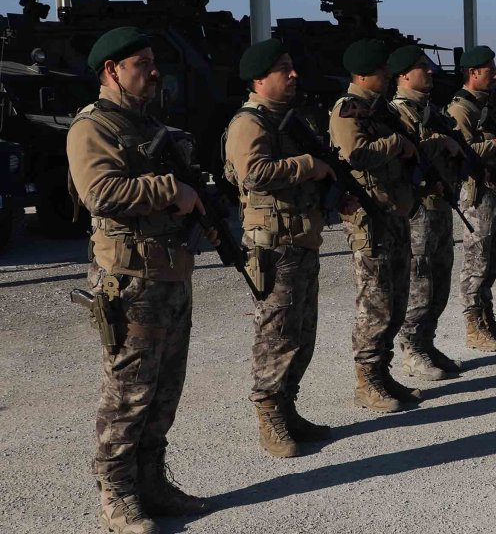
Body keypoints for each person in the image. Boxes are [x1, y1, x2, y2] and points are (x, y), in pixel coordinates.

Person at [68, 26, 210, 533]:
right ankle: (117, 494)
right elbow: (101, 192)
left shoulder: (146, 122)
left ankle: (151, 483)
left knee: (164, 390)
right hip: (129, 280)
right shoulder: (94, 126)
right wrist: (173, 188)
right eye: (142, 63)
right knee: (128, 393)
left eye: (154, 61)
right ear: (112, 71)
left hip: (170, 271)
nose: (154, 71)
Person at [224, 38, 336, 457]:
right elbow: (254, 173)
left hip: (300, 238)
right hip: (273, 245)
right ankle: (269, 414)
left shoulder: (286, 119)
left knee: (302, 332)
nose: (293, 75)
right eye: (282, 69)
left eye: (292, 67)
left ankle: (287, 408)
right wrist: (310, 165)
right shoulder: (250, 123)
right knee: (276, 334)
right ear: (259, 79)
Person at [329, 38, 425, 412]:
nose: (388, 75)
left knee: (397, 297)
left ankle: (382, 374)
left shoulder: (379, 109)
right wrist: (396, 144)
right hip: (369, 218)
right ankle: (366, 380)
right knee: (376, 301)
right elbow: (355, 154)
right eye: (383, 70)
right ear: (365, 73)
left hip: (394, 212)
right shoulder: (348, 108)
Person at [386, 45, 464, 380]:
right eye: (422, 67)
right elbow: (404, 156)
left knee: (440, 278)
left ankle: (427, 341)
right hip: (418, 208)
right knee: (419, 279)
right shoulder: (396, 113)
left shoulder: (432, 111)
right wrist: (438, 143)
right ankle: (411, 349)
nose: (430, 72)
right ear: (403, 75)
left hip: (440, 204)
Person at [447, 45, 496, 351]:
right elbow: (459, 152)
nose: (495, 74)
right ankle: (473, 325)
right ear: (474, 72)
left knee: (492, 260)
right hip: (477, 194)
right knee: (476, 262)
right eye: (491, 69)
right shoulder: (460, 109)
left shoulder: (484, 105)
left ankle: (487, 317)